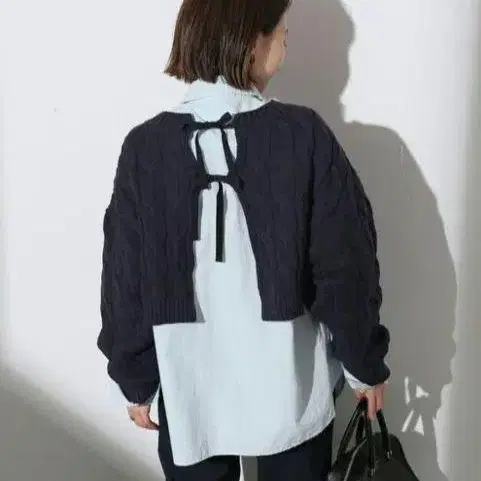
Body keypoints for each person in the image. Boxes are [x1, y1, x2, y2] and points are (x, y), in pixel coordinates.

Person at [98, 1, 390, 480]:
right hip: (291, 389)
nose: (285, 45)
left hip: (190, 393)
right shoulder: (302, 136)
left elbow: (124, 281)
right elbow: (345, 268)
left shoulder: (145, 147)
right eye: (283, 33)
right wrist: (365, 363)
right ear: (253, 41)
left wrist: (135, 381)